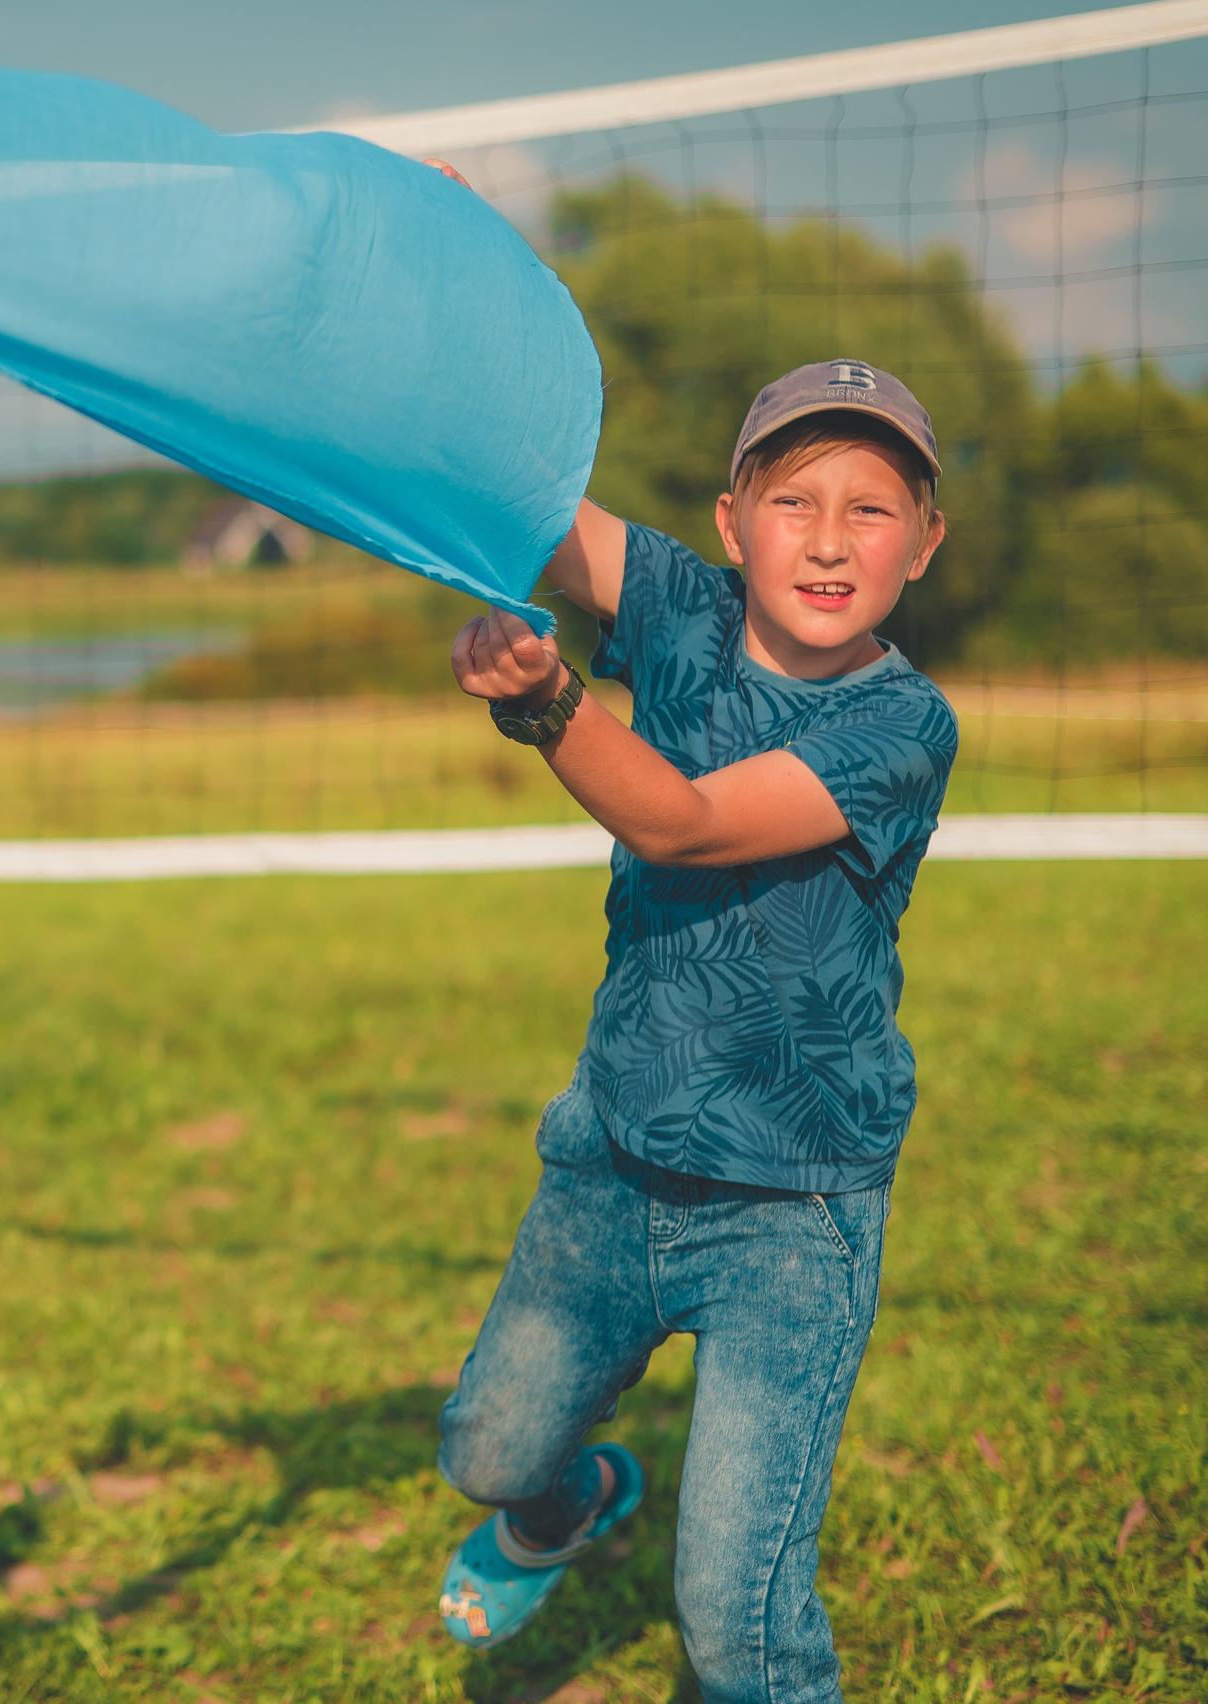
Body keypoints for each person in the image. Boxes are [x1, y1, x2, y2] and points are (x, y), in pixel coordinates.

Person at [430, 356, 959, 1703]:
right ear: (733, 522)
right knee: (485, 1456)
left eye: (872, 509)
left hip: (792, 1211)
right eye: (793, 501)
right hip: (611, 1166)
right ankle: (564, 1508)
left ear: (923, 544)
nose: (829, 541)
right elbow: (524, 498)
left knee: (735, 1624)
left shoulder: (903, 724)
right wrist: (429, 331)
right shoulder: (677, 606)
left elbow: (689, 822)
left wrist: (548, 704)